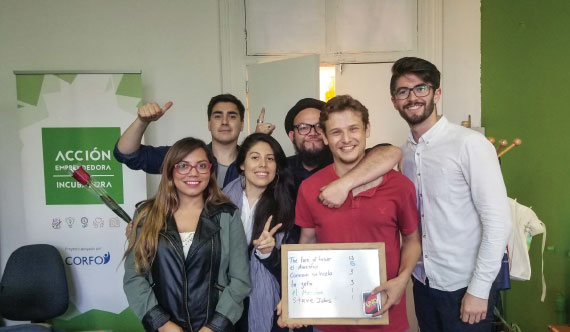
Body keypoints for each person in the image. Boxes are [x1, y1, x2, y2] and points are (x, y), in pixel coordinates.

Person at [390, 57, 512, 331]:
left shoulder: (470, 144)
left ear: (437, 93)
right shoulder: (405, 153)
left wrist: (480, 289)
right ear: (394, 101)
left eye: (421, 88)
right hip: (423, 283)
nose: (412, 97)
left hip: (465, 285)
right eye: (403, 91)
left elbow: (498, 221)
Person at [292, 95, 422, 332]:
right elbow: (307, 244)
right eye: (336, 132)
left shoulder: (400, 186)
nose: (346, 139)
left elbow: (413, 240)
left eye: (353, 129)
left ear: (367, 130)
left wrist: (402, 281)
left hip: (385, 318)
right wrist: (297, 297)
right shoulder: (310, 188)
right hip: (328, 321)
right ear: (323, 136)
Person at [123, 137, 251, 332]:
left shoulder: (227, 215)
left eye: (201, 165)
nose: (193, 172)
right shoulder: (147, 215)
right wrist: (162, 323)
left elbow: (240, 280)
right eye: (183, 165)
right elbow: (135, 277)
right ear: (170, 170)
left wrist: (214, 326)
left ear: (210, 170)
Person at [223, 133, 298, 332]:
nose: (263, 164)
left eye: (270, 158)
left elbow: (296, 271)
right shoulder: (220, 201)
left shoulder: (288, 205)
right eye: (255, 157)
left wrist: (269, 254)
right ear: (241, 164)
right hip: (225, 301)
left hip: (270, 305)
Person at [114, 94, 254, 188]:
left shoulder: (255, 163)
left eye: (232, 116)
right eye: (218, 116)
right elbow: (127, 154)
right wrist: (142, 121)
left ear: (242, 124)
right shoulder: (185, 156)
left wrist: (259, 143)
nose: (224, 122)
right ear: (209, 123)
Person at [284, 98, 403, 204]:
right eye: (303, 128)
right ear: (291, 136)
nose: (313, 133)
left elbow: (391, 152)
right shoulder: (281, 167)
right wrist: (265, 140)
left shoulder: (345, 159)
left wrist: (344, 184)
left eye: (319, 126)